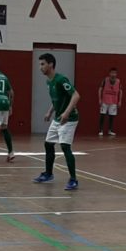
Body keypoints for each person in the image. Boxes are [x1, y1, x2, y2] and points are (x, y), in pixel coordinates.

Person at [33, 53, 81, 190]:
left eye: (42, 64)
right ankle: (48, 173)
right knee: (48, 144)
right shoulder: (49, 81)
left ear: (51, 64)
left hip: (69, 119)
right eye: (40, 64)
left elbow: (76, 95)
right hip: (58, 118)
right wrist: (50, 112)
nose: (40, 67)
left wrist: (66, 113)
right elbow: (57, 100)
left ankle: (73, 180)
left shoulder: (61, 79)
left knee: (65, 147)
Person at [98, 67, 122, 136]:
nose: (113, 74)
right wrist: (100, 99)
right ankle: (101, 130)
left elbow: (121, 91)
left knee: (112, 116)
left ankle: (110, 130)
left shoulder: (118, 81)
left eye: (114, 73)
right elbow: (100, 89)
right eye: (112, 73)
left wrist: (120, 101)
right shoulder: (105, 80)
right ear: (109, 73)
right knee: (102, 115)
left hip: (114, 102)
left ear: (116, 74)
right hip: (104, 101)